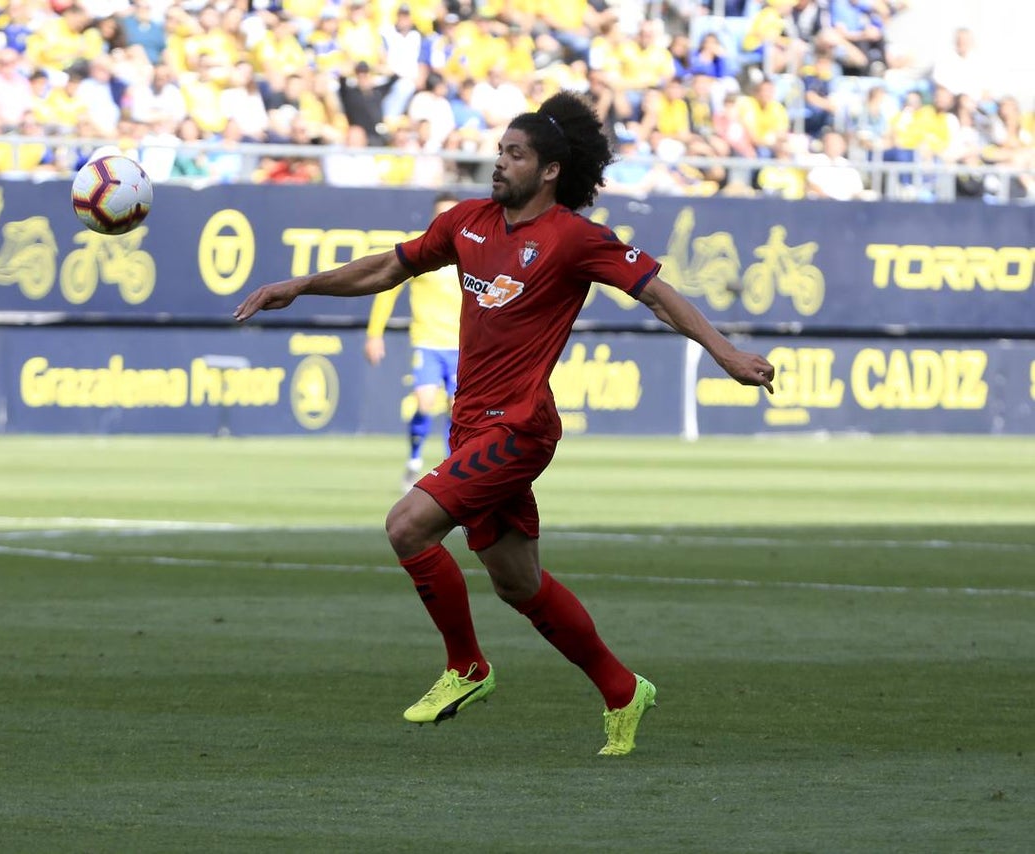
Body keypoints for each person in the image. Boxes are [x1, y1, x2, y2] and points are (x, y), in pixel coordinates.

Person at [234, 91, 775, 756]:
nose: (499, 164)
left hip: (518, 429)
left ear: (549, 171)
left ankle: (466, 667)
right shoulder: (467, 222)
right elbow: (387, 266)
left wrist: (724, 351)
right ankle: (621, 688)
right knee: (518, 582)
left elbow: (657, 294)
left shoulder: (575, 239)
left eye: (514, 155)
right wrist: (302, 285)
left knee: (406, 525)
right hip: (471, 428)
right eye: (499, 151)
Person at [364, 192, 462, 492]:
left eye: (451, 214)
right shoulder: (422, 251)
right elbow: (387, 289)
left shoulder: (470, 252)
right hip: (428, 342)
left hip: (462, 345)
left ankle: (449, 470)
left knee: (457, 409)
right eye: (440, 214)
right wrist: (374, 333)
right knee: (425, 402)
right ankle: (414, 461)